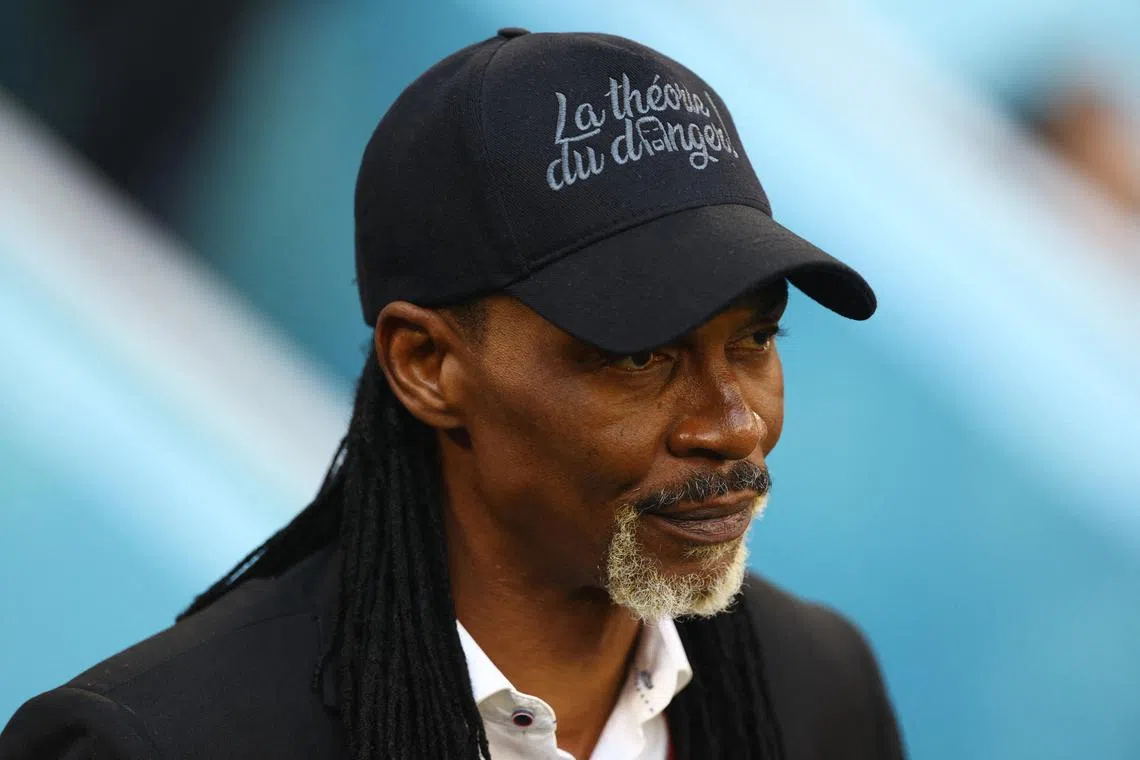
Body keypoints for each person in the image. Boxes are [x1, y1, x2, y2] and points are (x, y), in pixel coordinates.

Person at [0, 28, 905, 760]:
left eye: (755, 341)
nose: (734, 425)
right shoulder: (157, 744)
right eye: (640, 358)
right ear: (426, 365)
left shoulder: (815, 685)